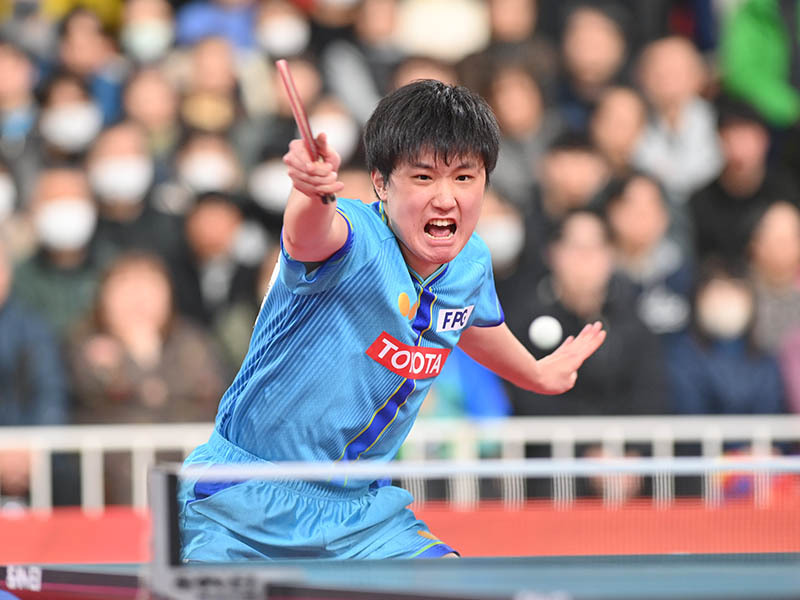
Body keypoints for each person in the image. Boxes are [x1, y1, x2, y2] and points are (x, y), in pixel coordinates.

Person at [179, 80, 606, 561]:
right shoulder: (354, 239)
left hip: (361, 513)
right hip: (242, 499)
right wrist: (309, 192)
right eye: (424, 177)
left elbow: (472, 324)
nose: (446, 197)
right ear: (381, 183)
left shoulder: (470, 262)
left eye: (464, 177)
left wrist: (536, 373)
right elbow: (310, 233)